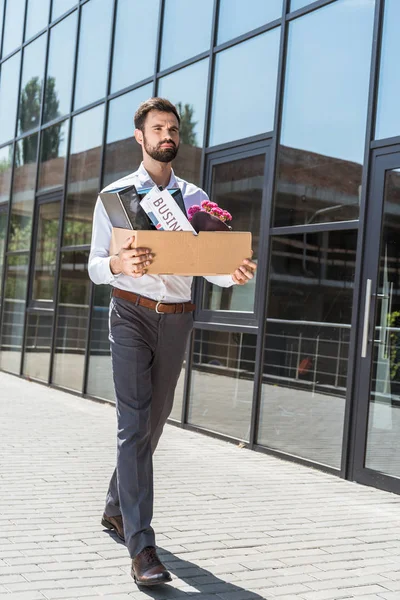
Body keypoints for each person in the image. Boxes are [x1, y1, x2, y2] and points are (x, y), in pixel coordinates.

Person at [88, 97, 256, 586]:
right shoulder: (116, 196)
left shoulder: (195, 198)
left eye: (173, 129)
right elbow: (95, 264)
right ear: (139, 137)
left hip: (178, 317)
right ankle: (142, 549)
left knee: (153, 423)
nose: (168, 136)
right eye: (158, 128)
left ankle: (117, 507)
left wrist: (234, 272)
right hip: (131, 316)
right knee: (133, 422)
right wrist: (119, 264)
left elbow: (212, 264)